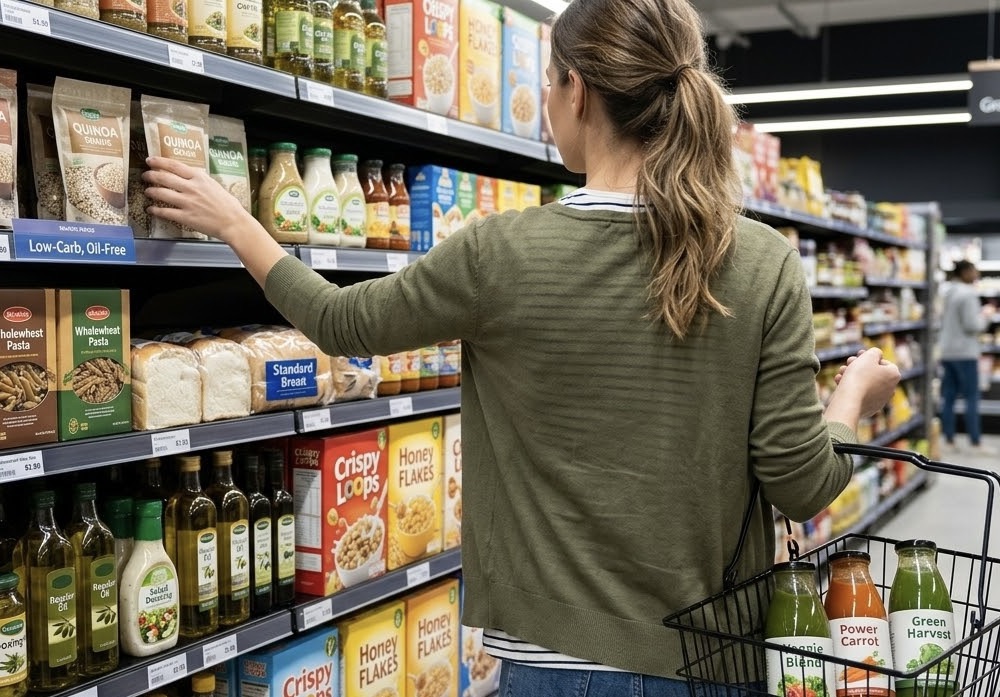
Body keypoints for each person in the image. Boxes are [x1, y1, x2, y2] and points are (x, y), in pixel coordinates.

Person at [143, 0, 900, 693]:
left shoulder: (502, 252)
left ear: (577, 93)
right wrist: (851, 399)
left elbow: (344, 324)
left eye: (548, 81)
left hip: (547, 666)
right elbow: (802, 484)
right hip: (707, 661)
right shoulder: (763, 259)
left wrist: (236, 222)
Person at [939, 259, 994, 454]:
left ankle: (949, 439)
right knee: (972, 396)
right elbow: (973, 325)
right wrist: (986, 315)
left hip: (947, 351)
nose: (976, 274)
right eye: (973, 271)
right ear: (964, 273)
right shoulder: (968, 294)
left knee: (949, 396)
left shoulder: (948, 291)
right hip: (965, 352)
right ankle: (976, 442)